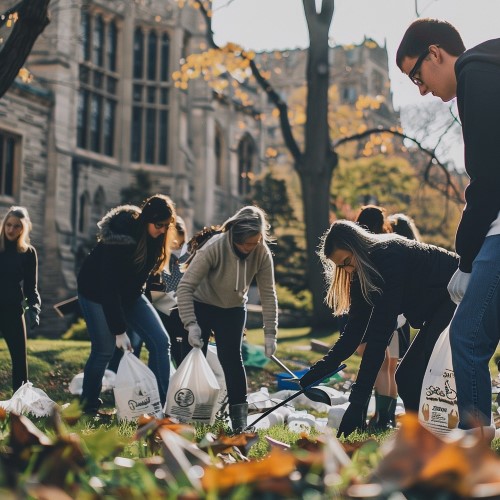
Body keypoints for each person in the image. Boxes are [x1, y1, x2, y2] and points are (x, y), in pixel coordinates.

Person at [396, 19, 500, 434]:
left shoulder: (476, 72)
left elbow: (487, 176)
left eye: (417, 76)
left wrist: (467, 258)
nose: (421, 90)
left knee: (468, 340)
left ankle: (474, 457)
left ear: (435, 53)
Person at [299, 220, 458, 438]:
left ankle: (450, 435)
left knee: (431, 373)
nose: (346, 270)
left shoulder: (388, 255)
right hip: (436, 310)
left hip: (457, 297)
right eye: (340, 267)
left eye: (346, 262)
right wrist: (317, 372)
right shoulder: (360, 272)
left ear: (356, 248)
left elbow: (380, 334)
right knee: (408, 377)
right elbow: (353, 333)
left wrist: (356, 403)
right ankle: (422, 438)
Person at [176, 205, 279, 433]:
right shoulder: (214, 247)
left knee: (232, 360)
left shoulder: (261, 252)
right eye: (247, 244)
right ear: (235, 237)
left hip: (232, 309)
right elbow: (184, 287)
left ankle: (239, 423)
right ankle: (183, 418)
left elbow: (268, 294)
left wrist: (270, 333)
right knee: (193, 359)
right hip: (201, 304)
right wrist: (191, 324)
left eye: (256, 242)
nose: (251, 248)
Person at [77, 194, 176, 414]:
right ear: (146, 220)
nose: (163, 230)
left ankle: (161, 406)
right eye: (159, 224)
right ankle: (88, 405)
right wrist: (119, 330)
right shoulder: (120, 239)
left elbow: (137, 283)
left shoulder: (157, 240)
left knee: (161, 342)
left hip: (130, 294)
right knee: (104, 350)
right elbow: (109, 287)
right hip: (95, 292)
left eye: (167, 225)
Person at [355, 205, 400, 430]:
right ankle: (386, 416)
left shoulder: (360, 247)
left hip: (371, 314)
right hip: (392, 314)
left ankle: (378, 418)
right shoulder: (389, 244)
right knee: (388, 368)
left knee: (377, 366)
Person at [0, 206, 41, 392]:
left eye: (16, 226)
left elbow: (31, 288)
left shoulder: (28, 253)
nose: (11, 229)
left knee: (19, 360)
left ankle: (20, 405)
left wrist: (34, 308)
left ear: (23, 228)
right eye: (8, 225)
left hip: (12, 310)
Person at [148, 216, 191, 366]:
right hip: (164, 306)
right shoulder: (162, 253)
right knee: (167, 345)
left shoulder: (190, 255)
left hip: (183, 306)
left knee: (182, 349)